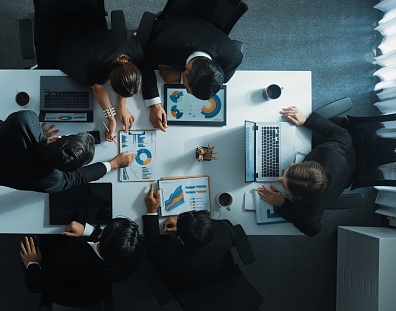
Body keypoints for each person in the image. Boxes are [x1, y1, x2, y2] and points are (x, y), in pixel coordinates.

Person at [0, 110, 136, 193]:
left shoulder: (25, 121)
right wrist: (114, 164)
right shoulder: (51, 181)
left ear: (56, 138)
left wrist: (39, 135)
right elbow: (77, 179)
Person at [37, 0, 143, 141]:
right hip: (65, 42)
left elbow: (123, 74)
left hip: (92, 29)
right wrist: (111, 119)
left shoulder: (132, 50)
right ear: (110, 82)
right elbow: (98, 88)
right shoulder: (90, 67)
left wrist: (122, 105)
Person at [139, 0, 243, 131]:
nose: (185, 89)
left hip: (209, 28)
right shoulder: (166, 43)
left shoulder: (233, 56)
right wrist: (155, 105)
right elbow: (144, 62)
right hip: (176, 22)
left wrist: (178, 77)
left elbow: (225, 79)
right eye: (186, 85)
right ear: (187, 69)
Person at [257, 106, 356, 237]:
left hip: (344, 176)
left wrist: (282, 203)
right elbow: (344, 135)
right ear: (309, 163)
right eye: (289, 170)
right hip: (345, 155)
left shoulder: (310, 209)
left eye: (284, 186)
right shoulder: (329, 151)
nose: (278, 180)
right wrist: (306, 121)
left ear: (299, 198)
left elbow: (312, 231)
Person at [19, 218, 141, 307]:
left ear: (101, 236)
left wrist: (33, 263)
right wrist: (88, 230)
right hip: (95, 290)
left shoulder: (72, 256)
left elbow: (34, 285)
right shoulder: (130, 259)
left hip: (62, 292)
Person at [142, 184, 239, 294]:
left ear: (178, 237)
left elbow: (152, 247)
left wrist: (152, 210)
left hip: (186, 286)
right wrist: (187, 227)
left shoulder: (168, 258)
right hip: (221, 273)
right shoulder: (225, 230)